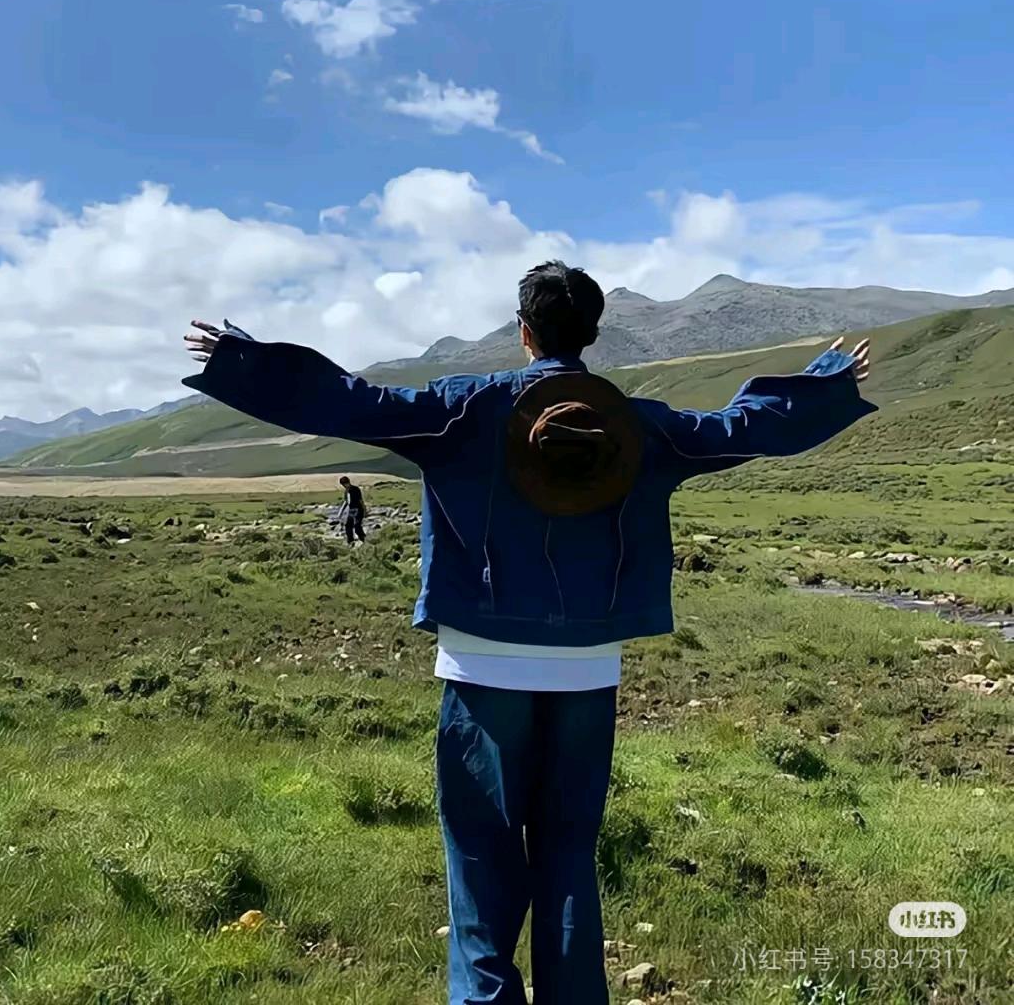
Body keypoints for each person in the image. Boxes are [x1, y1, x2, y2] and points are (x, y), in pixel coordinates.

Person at [182, 265, 875, 1005]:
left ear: (524, 332)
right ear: (593, 336)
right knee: (569, 858)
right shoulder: (637, 426)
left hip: (482, 670)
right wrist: (827, 379)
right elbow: (744, 427)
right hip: (587, 674)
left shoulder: (463, 410)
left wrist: (243, 361)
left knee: (480, 859)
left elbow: (350, 404)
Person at [339, 475, 367, 544]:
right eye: (343, 485)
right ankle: (350, 541)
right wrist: (341, 512)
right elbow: (346, 502)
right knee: (348, 525)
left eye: (345, 484)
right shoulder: (346, 491)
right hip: (351, 510)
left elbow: (361, 500)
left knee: (357, 526)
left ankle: (363, 539)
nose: (344, 486)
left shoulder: (355, 489)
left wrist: (365, 510)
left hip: (358, 509)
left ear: (348, 483)